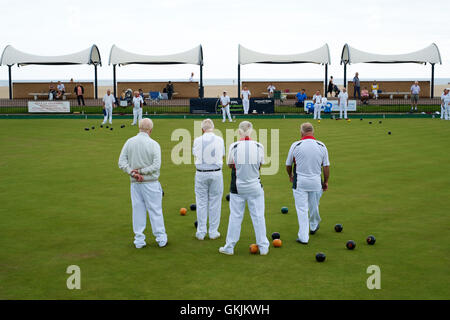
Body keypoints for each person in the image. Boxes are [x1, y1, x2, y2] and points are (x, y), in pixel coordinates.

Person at [219, 121, 270, 256]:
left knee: (235, 216)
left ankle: (229, 247)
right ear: (251, 131)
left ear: (239, 132)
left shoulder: (234, 146)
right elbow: (260, 165)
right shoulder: (259, 146)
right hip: (255, 186)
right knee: (258, 216)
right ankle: (263, 247)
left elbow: (230, 165)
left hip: (238, 186)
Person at [118, 118, 167, 249]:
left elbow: (121, 162)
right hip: (150, 182)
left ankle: (139, 240)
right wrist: (140, 172)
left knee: (138, 210)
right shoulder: (154, 144)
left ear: (139, 128)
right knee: (155, 210)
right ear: (150, 130)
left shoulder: (129, 142)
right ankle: (161, 238)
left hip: (135, 183)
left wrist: (133, 173)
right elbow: (156, 166)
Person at [285, 122, 330, 244]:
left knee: (302, 209)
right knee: (314, 205)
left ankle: (304, 237)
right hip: (316, 182)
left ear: (301, 132)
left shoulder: (296, 145)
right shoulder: (321, 145)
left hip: (300, 182)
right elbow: (326, 167)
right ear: (313, 132)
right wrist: (325, 182)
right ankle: (314, 225)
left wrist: (290, 176)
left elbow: (288, 164)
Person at [193, 119, 225, 240]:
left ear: (202, 129)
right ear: (213, 128)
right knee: (215, 202)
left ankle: (201, 232)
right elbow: (222, 155)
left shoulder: (197, 140)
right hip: (216, 173)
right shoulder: (219, 139)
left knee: (201, 202)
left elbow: (195, 154)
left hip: (201, 173)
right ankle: (213, 232)